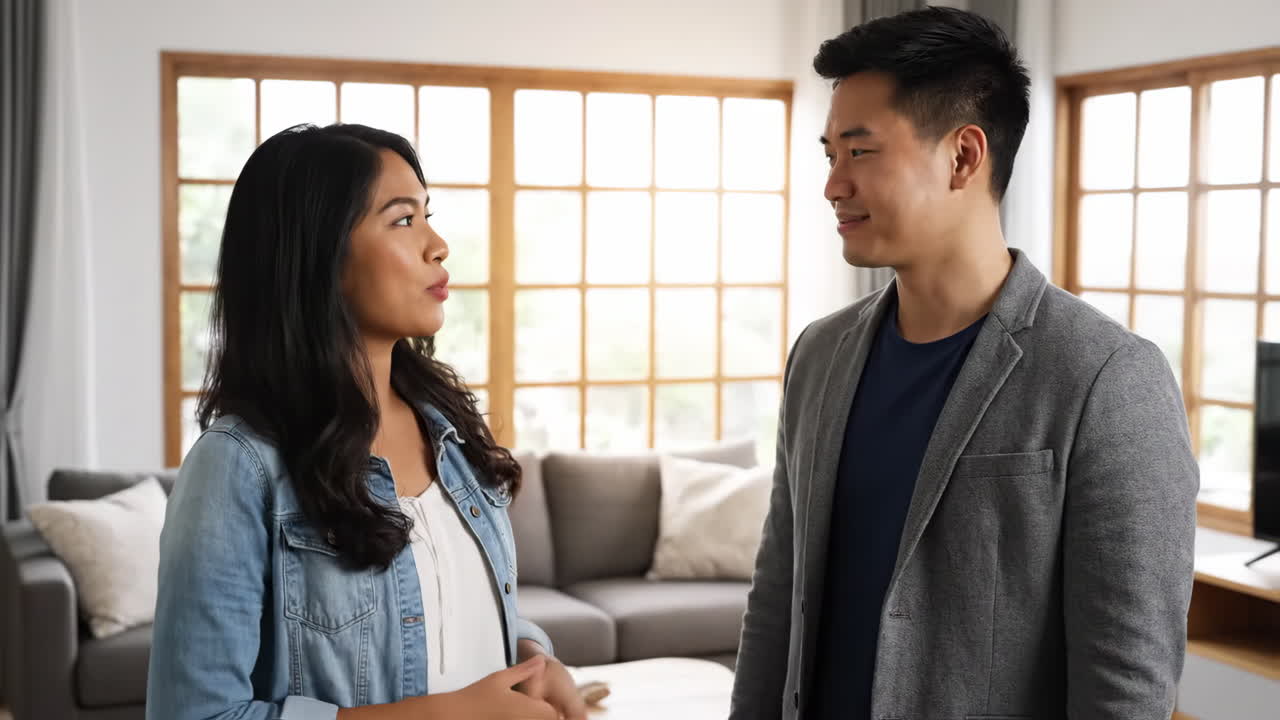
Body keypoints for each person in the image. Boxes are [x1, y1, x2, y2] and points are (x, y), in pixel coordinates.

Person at [730, 7, 1198, 719]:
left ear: (963, 156)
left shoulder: (1106, 377)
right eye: (829, 155)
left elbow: (1125, 685)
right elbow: (776, 603)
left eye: (860, 152)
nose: (832, 184)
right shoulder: (818, 355)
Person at [147, 123, 586, 720]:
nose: (438, 245)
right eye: (403, 220)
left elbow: (441, 607)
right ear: (318, 254)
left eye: (428, 215)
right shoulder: (237, 465)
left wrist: (530, 655)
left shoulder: (449, 429)